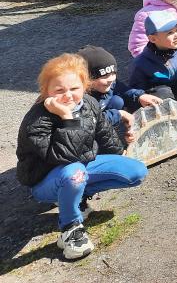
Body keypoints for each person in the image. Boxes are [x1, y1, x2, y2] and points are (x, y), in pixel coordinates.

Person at [16, 54, 147, 260]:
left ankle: (78, 198)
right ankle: (70, 229)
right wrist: (67, 117)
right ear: (46, 91)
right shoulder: (37, 119)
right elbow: (63, 156)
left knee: (136, 171)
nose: (68, 96)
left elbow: (105, 135)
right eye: (59, 90)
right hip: (46, 179)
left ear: (85, 86)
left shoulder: (89, 103)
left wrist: (122, 151)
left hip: (79, 168)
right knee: (75, 173)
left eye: (74, 88)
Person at [77, 45, 134, 143]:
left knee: (117, 101)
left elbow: (124, 90)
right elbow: (89, 123)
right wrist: (118, 114)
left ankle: (114, 133)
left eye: (113, 73)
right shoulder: (79, 97)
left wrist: (139, 96)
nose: (111, 79)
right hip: (84, 135)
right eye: (105, 76)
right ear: (87, 79)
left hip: (100, 116)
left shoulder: (107, 84)